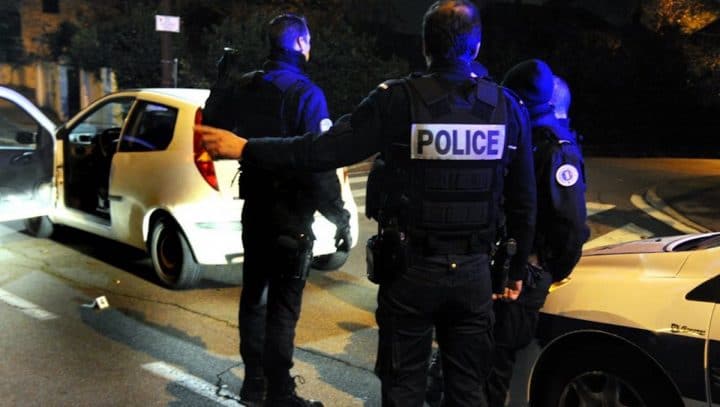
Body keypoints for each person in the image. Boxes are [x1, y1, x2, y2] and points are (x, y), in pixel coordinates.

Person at [196, 1, 537, 405]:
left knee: (403, 387)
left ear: (425, 47)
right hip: (473, 273)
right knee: (467, 390)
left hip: (411, 272)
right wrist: (516, 269)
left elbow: (322, 151)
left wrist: (247, 148)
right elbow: (523, 200)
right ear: (476, 47)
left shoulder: (397, 100)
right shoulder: (508, 108)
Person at [202, 14, 349, 407]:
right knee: (282, 307)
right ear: (300, 43)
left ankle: (254, 385)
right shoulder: (305, 93)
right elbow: (319, 164)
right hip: (292, 215)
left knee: (254, 299)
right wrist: (340, 216)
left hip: (255, 211)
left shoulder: (246, 85)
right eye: (308, 41)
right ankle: (280, 392)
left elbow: (212, 124)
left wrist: (221, 83)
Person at [484, 60, 590, 406]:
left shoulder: (555, 149)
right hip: (505, 265)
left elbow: (570, 225)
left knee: (495, 366)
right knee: (485, 359)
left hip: (525, 273)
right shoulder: (523, 138)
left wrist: (544, 269)